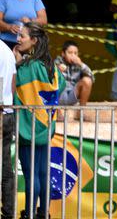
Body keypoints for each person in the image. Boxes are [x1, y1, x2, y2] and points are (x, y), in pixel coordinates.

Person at [13, 22, 65, 219]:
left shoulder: (26, 67)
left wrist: (17, 61)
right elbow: (63, 85)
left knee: (31, 175)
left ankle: (30, 215)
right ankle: (44, 212)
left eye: (22, 36)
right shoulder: (50, 64)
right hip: (46, 126)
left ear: (33, 40)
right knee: (43, 174)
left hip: (28, 128)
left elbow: (11, 83)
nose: (18, 40)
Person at [1, 39, 16, 219]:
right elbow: (12, 86)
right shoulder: (7, 50)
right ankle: (8, 212)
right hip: (8, 111)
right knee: (5, 167)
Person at [54, 41, 94, 108]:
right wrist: (56, 69)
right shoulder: (57, 62)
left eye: (75, 53)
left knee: (87, 80)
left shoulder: (79, 65)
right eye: (70, 53)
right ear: (63, 54)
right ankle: (56, 109)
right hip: (59, 96)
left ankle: (81, 110)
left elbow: (92, 78)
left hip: (72, 95)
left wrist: (81, 64)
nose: (73, 55)